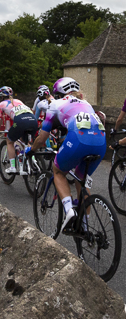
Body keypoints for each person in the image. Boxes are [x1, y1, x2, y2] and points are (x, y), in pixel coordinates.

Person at [30, 77, 107, 232]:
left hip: (78, 139)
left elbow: (42, 137)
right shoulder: (86, 104)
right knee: (81, 180)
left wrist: (31, 150)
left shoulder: (55, 104)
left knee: (58, 171)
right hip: (101, 141)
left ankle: (69, 210)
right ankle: (85, 227)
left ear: (57, 93)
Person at [0, 86, 38, 174]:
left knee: (10, 141)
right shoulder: (19, 101)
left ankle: (13, 167)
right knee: (25, 141)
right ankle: (34, 161)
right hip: (33, 120)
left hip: (20, 122)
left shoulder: (2, 104)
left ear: (2, 97)